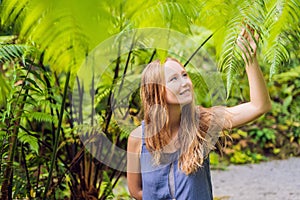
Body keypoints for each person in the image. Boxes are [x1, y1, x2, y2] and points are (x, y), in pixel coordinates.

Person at [126, 26, 272, 200]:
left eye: (185, 75)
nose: (185, 83)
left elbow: (259, 106)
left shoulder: (202, 122)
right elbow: (136, 191)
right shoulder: (138, 139)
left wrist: (250, 59)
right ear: (156, 91)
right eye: (174, 79)